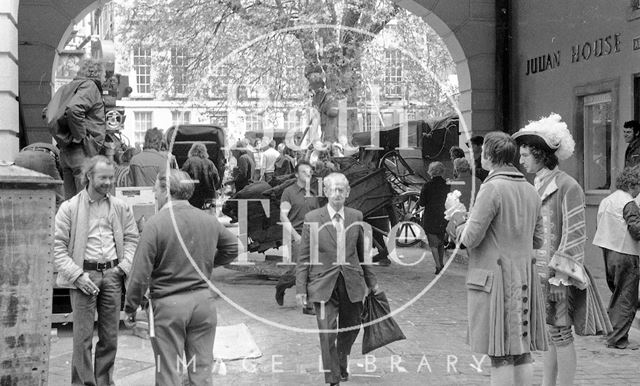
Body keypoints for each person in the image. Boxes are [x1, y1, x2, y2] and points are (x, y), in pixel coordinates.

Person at [513, 113, 611, 386]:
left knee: (561, 335)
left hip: (558, 276)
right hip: (540, 274)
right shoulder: (536, 183)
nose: (521, 161)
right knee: (551, 334)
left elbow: (576, 234)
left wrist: (561, 277)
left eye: (525, 155)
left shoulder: (568, 185)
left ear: (541, 155)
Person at [450, 131, 547, 386]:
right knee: (522, 350)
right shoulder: (530, 189)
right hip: (524, 276)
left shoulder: (491, 188)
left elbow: (470, 238)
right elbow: (538, 240)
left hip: (496, 279)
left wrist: (457, 219)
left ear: (490, 156)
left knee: (500, 353)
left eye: (482, 152)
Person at [124, 169, 238, 385]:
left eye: (156, 190)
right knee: (201, 371)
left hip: (168, 306)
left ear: (166, 191)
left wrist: (131, 307)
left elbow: (139, 274)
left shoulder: (155, 224)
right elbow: (234, 247)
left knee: (169, 372)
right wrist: (206, 263)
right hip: (203, 303)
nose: (155, 195)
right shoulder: (207, 220)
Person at [53, 155, 139, 386]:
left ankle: (104, 382)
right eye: (103, 177)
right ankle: (82, 383)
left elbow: (132, 239)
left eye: (111, 177)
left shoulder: (120, 207)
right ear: (88, 176)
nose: (108, 182)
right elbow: (57, 248)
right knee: (82, 338)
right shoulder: (69, 208)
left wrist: (123, 267)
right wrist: (78, 276)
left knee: (110, 337)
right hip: (83, 277)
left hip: (112, 275)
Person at [296, 172, 379, 386]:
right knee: (327, 332)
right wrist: (300, 289)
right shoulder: (313, 218)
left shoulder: (356, 216)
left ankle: (341, 360)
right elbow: (304, 256)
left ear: (348, 192)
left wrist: (372, 283)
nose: (337, 194)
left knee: (352, 327)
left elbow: (364, 254)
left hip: (351, 282)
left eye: (341, 190)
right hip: (322, 284)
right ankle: (333, 378)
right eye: (333, 189)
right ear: (326, 192)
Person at [592, 166, 640, 349]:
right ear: (631, 185)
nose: (639, 191)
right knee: (626, 296)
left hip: (608, 252)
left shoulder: (607, 200)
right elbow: (636, 230)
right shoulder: (629, 202)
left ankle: (611, 330)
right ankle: (617, 338)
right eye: (638, 187)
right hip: (626, 253)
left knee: (617, 292)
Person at [274, 161, 321, 312]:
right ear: (296, 175)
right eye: (303, 172)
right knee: (300, 271)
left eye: (309, 172)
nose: (308, 174)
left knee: (311, 270)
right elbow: (283, 216)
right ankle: (287, 287)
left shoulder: (314, 193)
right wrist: (295, 236)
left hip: (313, 235)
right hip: (298, 236)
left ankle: (306, 301)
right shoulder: (289, 192)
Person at [59, 58, 107, 199]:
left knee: (71, 205)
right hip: (81, 153)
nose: (105, 79)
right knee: (85, 204)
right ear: (97, 73)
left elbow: (48, 112)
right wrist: (82, 137)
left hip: (66, 151)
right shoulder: (90, 86)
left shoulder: (71, 87)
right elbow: (74, 110)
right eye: (104, 74)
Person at [418, 161, 450, 274]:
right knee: (440, 241)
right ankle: (441, 263)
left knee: (433, 244)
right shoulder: (447, 185)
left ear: (431, 172)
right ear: (442, 171)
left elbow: (422, 203)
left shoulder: (427, 186)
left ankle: (438, 266)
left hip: (431, 216)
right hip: (444, 215)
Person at [181, 142, 220, 209]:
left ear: (192, 150)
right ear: (204, 151)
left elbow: (182, 177)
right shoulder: (210, 163)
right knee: (208, 215)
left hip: (193, 196)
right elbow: (217, 179)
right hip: (209, 195)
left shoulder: (189, 161)